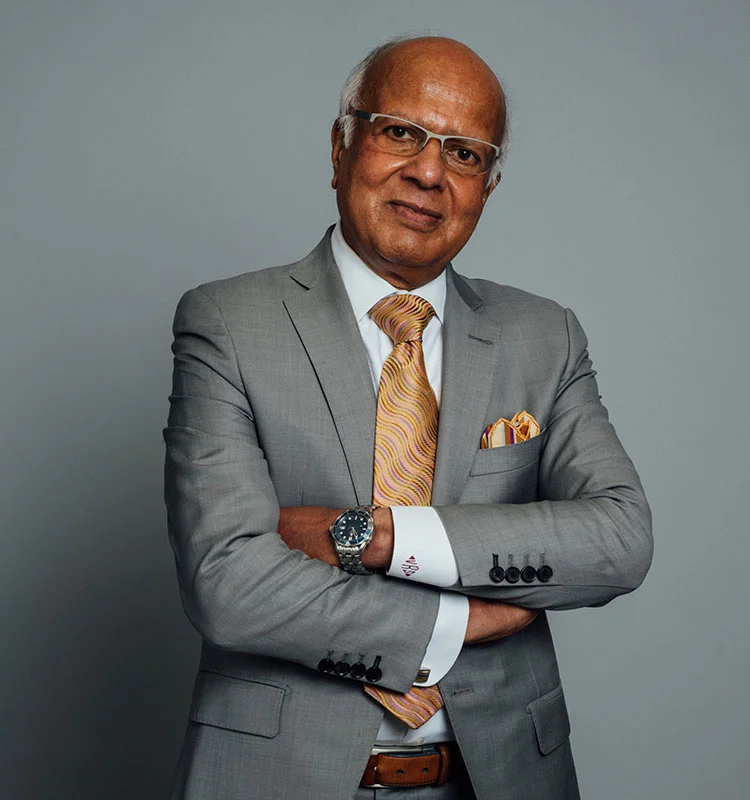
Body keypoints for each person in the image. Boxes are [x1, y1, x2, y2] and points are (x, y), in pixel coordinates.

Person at [164, 35, 653, 800]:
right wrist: (457, 625)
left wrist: (372, 535)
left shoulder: (543, 336)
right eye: (401, 132)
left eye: (464, 154)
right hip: (281, 778)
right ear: (341, 145)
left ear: (487, 186)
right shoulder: (227, 323)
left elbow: (619, 539)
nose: (429, 172)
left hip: (503, 777)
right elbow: (228, 584)